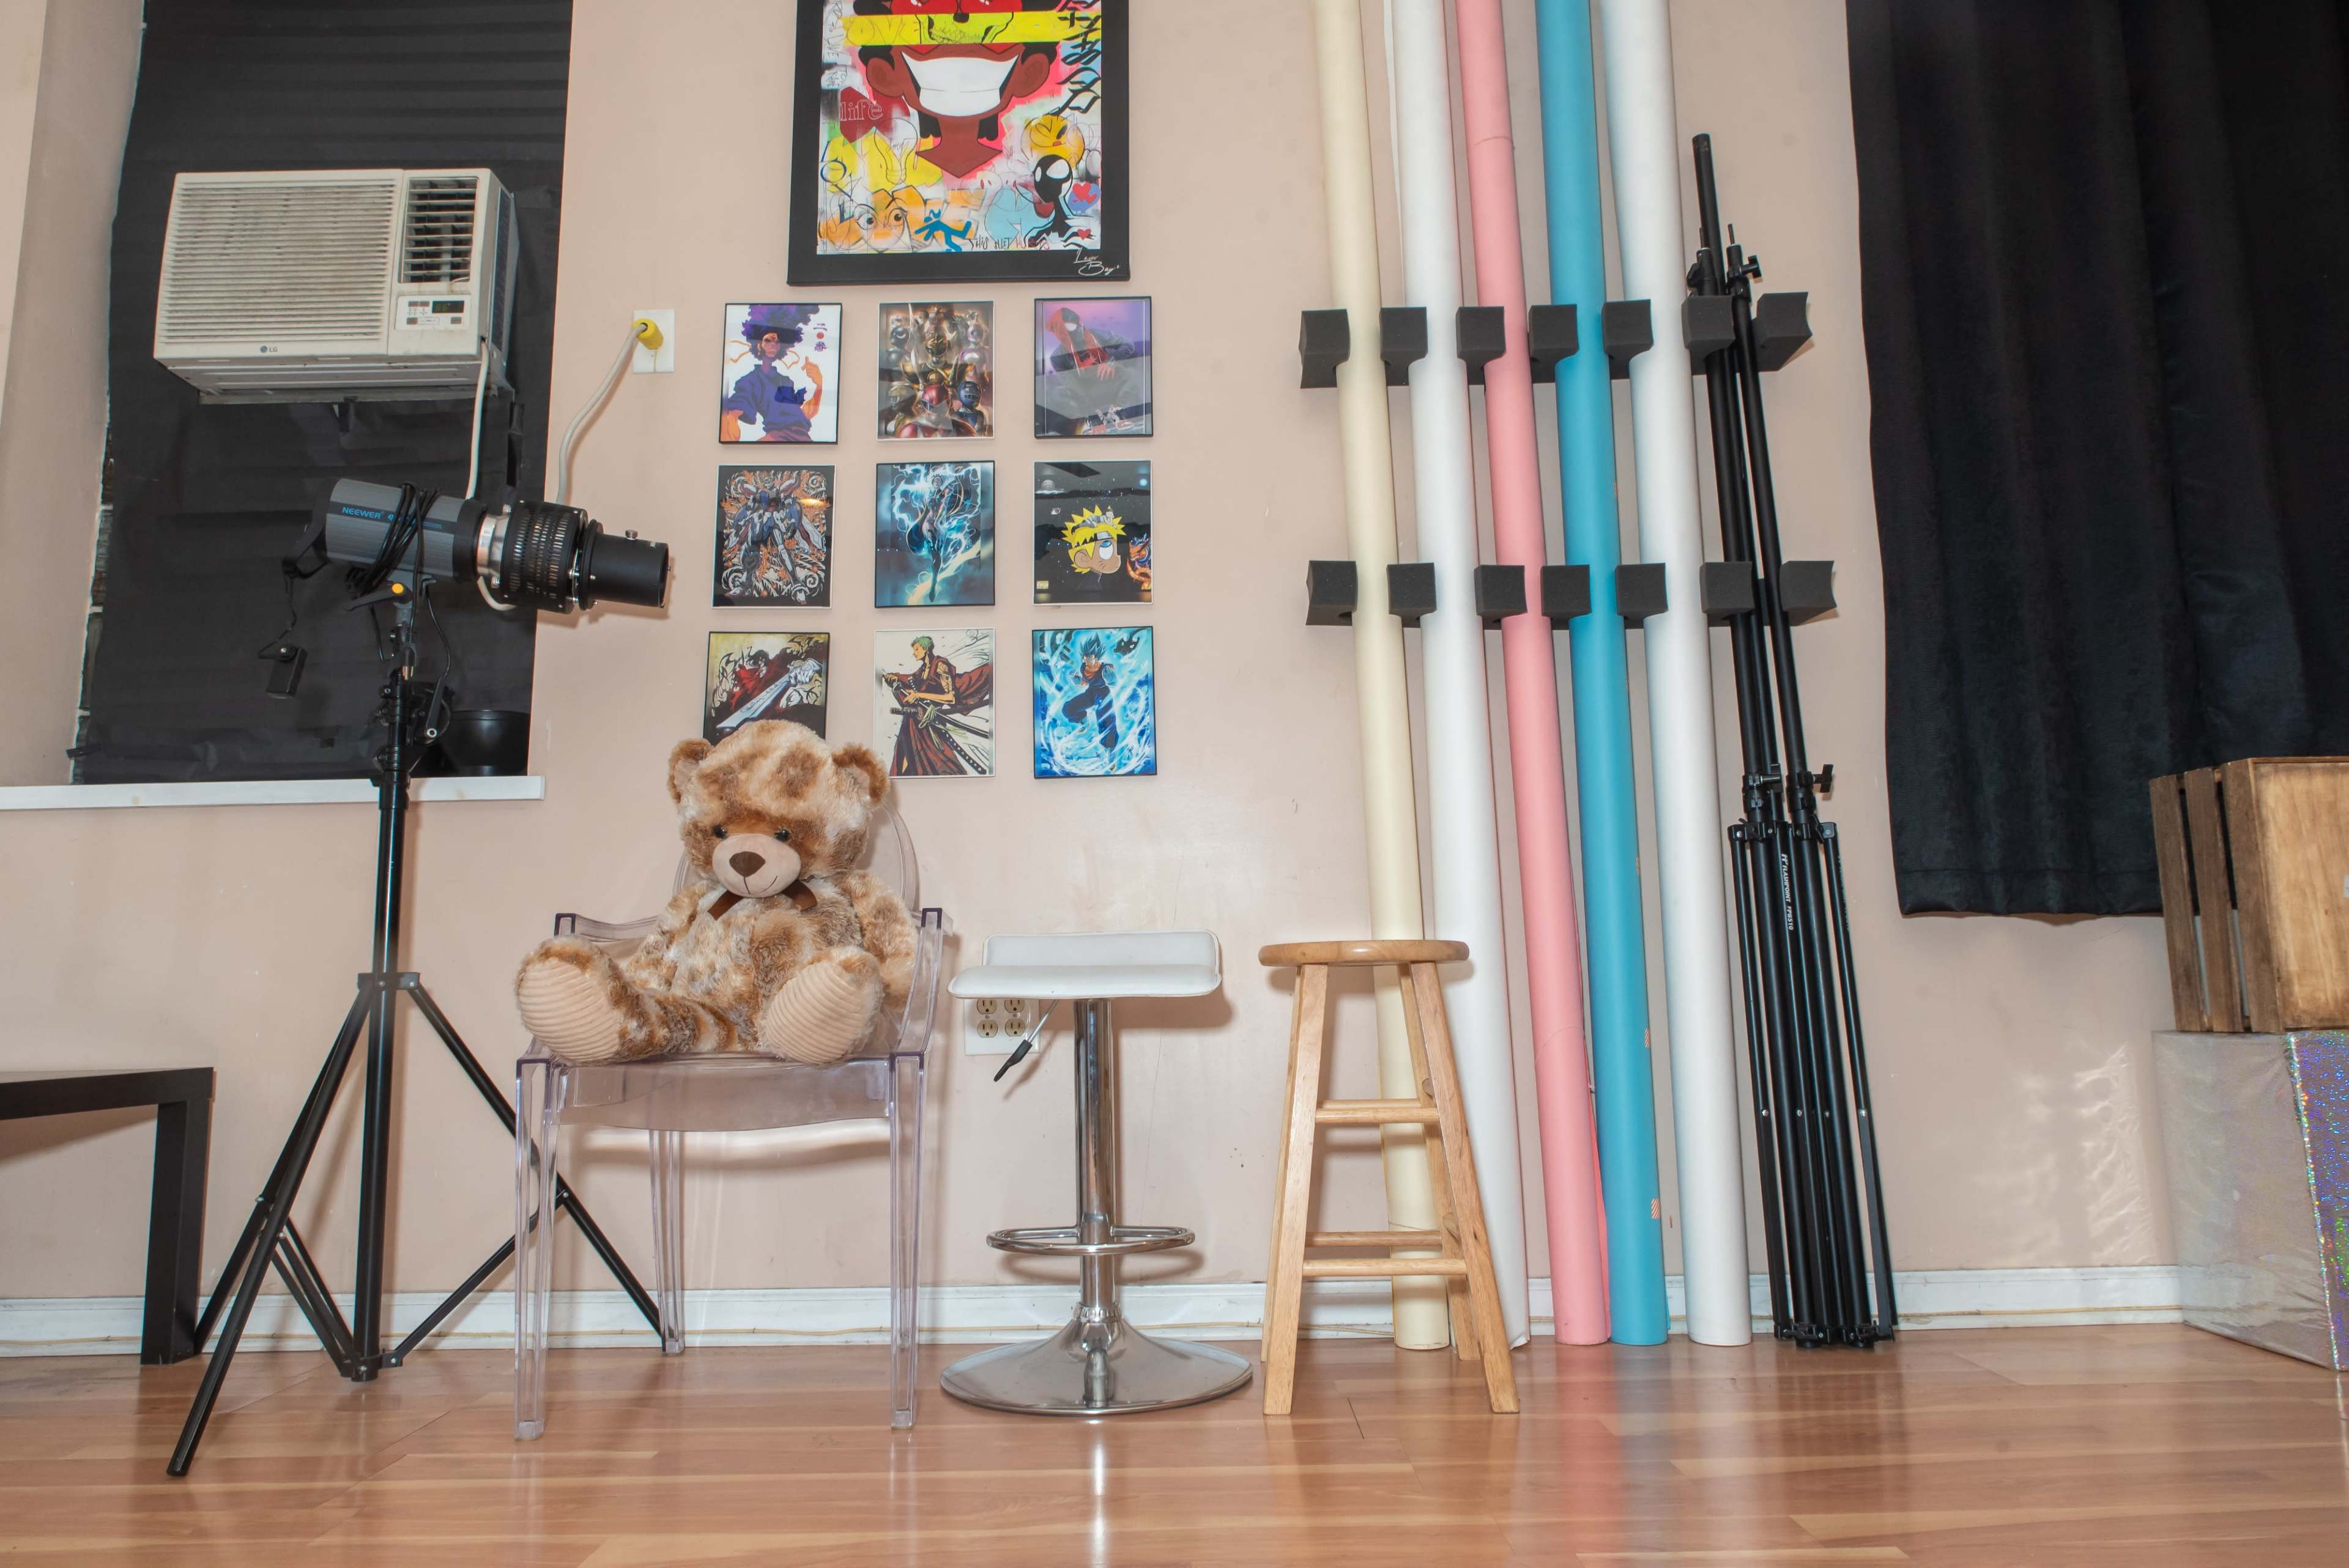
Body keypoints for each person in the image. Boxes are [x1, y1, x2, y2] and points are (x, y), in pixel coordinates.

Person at [723, 308, 824, 442]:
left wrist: (819, 385)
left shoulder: (785, 381)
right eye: (768, 340)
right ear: (759, 345)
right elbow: (732, 415)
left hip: (804, 440)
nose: (773, 345)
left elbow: (804, 413)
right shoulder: (752, 381)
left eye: (777, 342)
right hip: (779, 438)